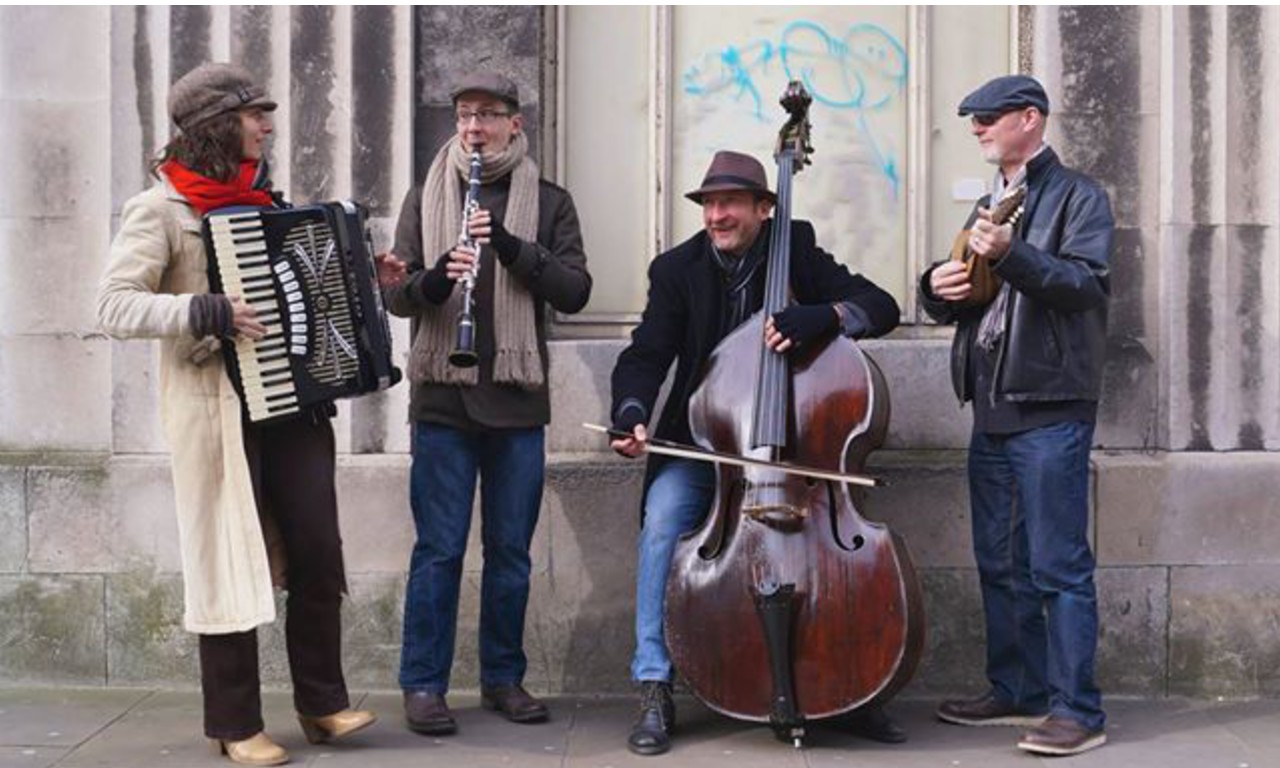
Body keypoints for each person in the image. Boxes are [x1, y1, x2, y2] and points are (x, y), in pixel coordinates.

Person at [96, 62, 400, 766]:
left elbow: (308, 292)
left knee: (319, 552)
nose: (267, 125)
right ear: (216, 126)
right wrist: (205, 309)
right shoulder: (162, 209)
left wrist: (365, 277)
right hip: (218, 417)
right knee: (230, 564)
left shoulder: (262, 200)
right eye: (254, 114)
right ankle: (233, 724)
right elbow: (112, 305)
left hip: (292, 406)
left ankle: (322, 703)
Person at [608, 150, 903, 756]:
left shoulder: (795, 248)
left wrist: (826, 316)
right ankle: (654, 683)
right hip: (704, 445)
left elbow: (883, 308)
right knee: (662, 525)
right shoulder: (676, 269)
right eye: (709, 204)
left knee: (834, 565)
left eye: (731, 203)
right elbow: (646, 354)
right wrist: (631, 412)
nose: (716, 215)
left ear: (764, 209)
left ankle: (847, 688)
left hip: (797, 451)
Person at [384, 71, 592, 736]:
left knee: (510, 553)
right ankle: (423, 685)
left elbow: (575, 290)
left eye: (489, 115)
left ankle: (503, 678)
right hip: (444, 400)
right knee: (438, 551)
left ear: (515, 124)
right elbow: (397, 295)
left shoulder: (550, 201)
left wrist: (506, 245)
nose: (474, 127)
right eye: (465, 115)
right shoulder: (427, 192)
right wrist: (434, 279)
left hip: (516, 403)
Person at [919, 75, 1113, 757]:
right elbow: (975, 296)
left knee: (1058, 565)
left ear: (1031, 119)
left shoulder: (1078, 196)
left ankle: (1078, 711)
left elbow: (1084, 286)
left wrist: (1014, 254)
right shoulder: (988, 201)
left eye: (990, 117)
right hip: (993, 405)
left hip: (1050, 405)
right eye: (973, 119)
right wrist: (936, 289)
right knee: (999, 561)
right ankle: (1017, 687)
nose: (976, 127)